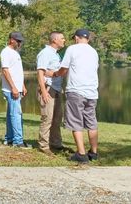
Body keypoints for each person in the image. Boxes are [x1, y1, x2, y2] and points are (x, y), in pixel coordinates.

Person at [52, 29, 99, 164]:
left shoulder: (72, 49)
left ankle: (81, 154)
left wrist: (55, 74)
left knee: (75, 121)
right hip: (92, 92)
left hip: (76, 90)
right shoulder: (93, 52)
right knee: (91, 123)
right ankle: (94, 152)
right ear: (88, 39)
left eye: (74, 38)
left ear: (77, 38)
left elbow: (64, 69)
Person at [36, 31, 66, 155]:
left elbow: (54, 71)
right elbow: (40, 73)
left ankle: (56, 143)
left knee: (57, 118)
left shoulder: (56, 54)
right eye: (62, 38)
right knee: (47, 118)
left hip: (57, 89)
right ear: (54, 40)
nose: (64, 40)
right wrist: (43, 91)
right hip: (48, 89)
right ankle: (43, 146)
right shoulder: (45, 53)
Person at [1, 32, 31, 149]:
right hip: (11, 89)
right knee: (16, 115)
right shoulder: (6, 52)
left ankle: (9, 139)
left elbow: (17, 72)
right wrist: (13, 87)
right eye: (18, 41)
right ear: (11, 40)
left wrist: (22, 85)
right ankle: (18, 142)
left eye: (20, 41)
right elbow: (5, 71)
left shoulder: (15, 53)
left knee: (11, 115)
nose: (20, 43)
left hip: (17, 88)